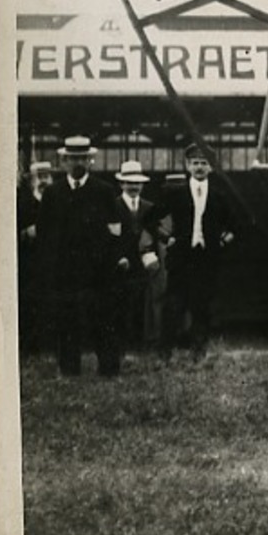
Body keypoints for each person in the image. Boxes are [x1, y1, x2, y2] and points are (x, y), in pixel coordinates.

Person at [34, 136, 134, 376]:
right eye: (72, 158)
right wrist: (48, 265)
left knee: (103, 318)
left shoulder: (104, 191)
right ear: (64, 161)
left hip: (98, 270)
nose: (77, 163)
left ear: (90, 161)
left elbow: (115, 230)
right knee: (67, 319)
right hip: (64, 270)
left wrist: (114, 258)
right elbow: (44, 233)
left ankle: (109, 369)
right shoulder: (53, 193)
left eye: (82, 158)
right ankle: (69, 370)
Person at [154, 142, 237, 361]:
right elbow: (150, 218)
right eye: (195, 163)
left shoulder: (219, 196)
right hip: (181, 258)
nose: (199, 167)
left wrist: (225, 239)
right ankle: (165, 354)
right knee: (173, 306)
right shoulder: (176, 193)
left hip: (207, 259)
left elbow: (236, 224)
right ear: (187, 166)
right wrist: (166, 238)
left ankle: (198, 354)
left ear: (211, 167)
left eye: (204, 163)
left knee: (202, 307)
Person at [113, 160, 164, 351]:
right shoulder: (113, 206)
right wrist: (118, 257)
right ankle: (122, 345)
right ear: (121, 184)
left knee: (143, 304)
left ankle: (141, 344)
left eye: (137, 183)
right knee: (122, 304)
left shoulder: (150, 207)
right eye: (129, 183)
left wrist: (152, 258)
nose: (133, 187)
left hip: (144, 265)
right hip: (120, 264)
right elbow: (108, 237)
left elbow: (156, 234)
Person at [15, 159, 55, 354]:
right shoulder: (23, 204)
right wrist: (25, 233)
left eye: (47, 176)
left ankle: (51, 344)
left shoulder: (59, 200)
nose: (43, 181)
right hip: (30, 262)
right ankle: (31, 346)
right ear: (32, 180)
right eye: (40, 177)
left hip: (53, 261)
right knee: (31, 303)